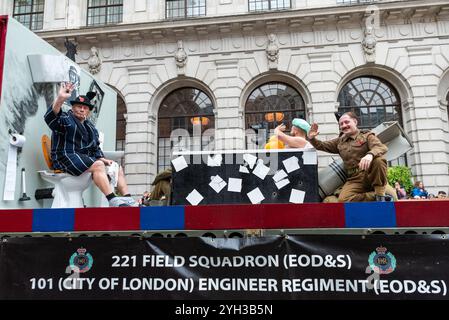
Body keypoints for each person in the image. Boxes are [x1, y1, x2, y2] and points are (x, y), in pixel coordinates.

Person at [44, 82, 137, 207]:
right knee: (98, 165)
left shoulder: (90, 127)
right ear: (72, 108)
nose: (82, 109)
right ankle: (112, 199)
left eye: (85, 108)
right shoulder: (66, 119)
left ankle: (128, 199)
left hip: (83, 158)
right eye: (78, 106)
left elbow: (95, 148)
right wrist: (60, 98)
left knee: (116, 167)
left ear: (88, 111)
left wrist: (105, 160)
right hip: (65, 157)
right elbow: (51, 118)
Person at [307, 111, 389, 202]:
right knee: (343, 200)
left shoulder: (367, 136)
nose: (344, 125)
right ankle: (375, 196)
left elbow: (381, 147)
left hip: (371, 175)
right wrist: (312, 138)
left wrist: (370, 155)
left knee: (379, 160)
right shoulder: (339, 142)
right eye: (341, 124)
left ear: (355, 122)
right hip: (355, 179)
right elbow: (321, 145)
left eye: (346, 122)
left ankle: (380, 195)